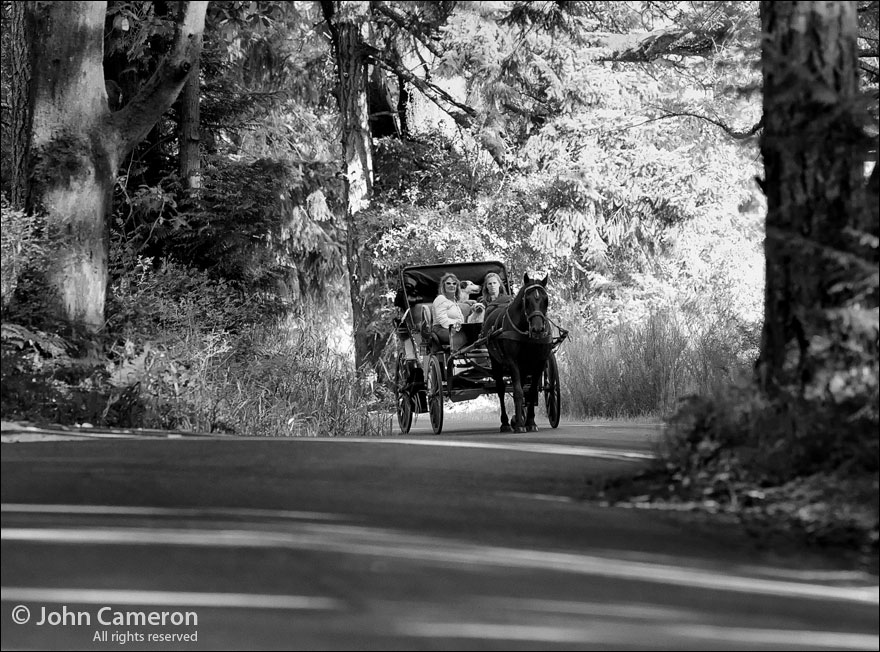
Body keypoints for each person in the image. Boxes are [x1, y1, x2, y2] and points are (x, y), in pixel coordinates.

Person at [432, 273, 466, 346]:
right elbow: (443, 320)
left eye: (454, 283)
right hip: (441, 329)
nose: (452, 285)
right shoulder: (440, 299)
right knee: (463, 337)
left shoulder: (454, 301)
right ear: (443, 286)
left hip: (455, 329)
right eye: (448, 283)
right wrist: (457, 327)